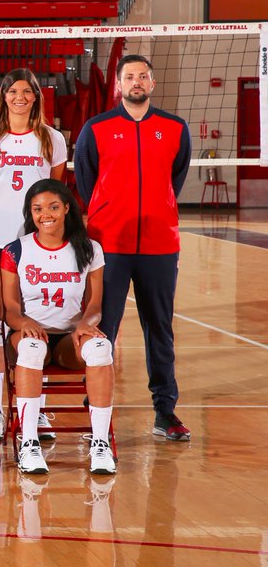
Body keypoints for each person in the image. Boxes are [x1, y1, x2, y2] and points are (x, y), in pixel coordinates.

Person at [75, 53, 192, 441]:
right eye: (130, 77)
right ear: (119, 85)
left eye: (143, 76)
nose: (136, 82)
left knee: (159, 327)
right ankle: (96, 411)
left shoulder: (175, 128)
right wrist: (110, 214)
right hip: (110, 245)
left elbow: (175, 179)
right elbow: (88, 184)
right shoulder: (96, 128)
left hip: (159, 244)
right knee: (102, 327)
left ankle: (165, 411)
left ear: (152, 84)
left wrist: (156, 210)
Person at [0, 69, 67, 440]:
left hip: (36, 241)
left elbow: (53, 189)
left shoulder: (51, 138)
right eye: (13, 91)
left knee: (32, 321)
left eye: (27, 91)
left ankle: (35, 411)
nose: (20, 97)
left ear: (36, 97)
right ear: (4, 96)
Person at [1, 179, 115, 475]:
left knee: (101, 349)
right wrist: (24, 323)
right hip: (29, 333)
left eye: (53, 207)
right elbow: (11, 309)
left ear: (67, 208)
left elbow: (95, 306)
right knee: (32, 347)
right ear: (30, 213)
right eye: (37, 209)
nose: (45, 214)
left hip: (68, 338)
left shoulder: (89, 249)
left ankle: (100, 444)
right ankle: (29, 443)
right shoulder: (16, 250)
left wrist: (84, 326)